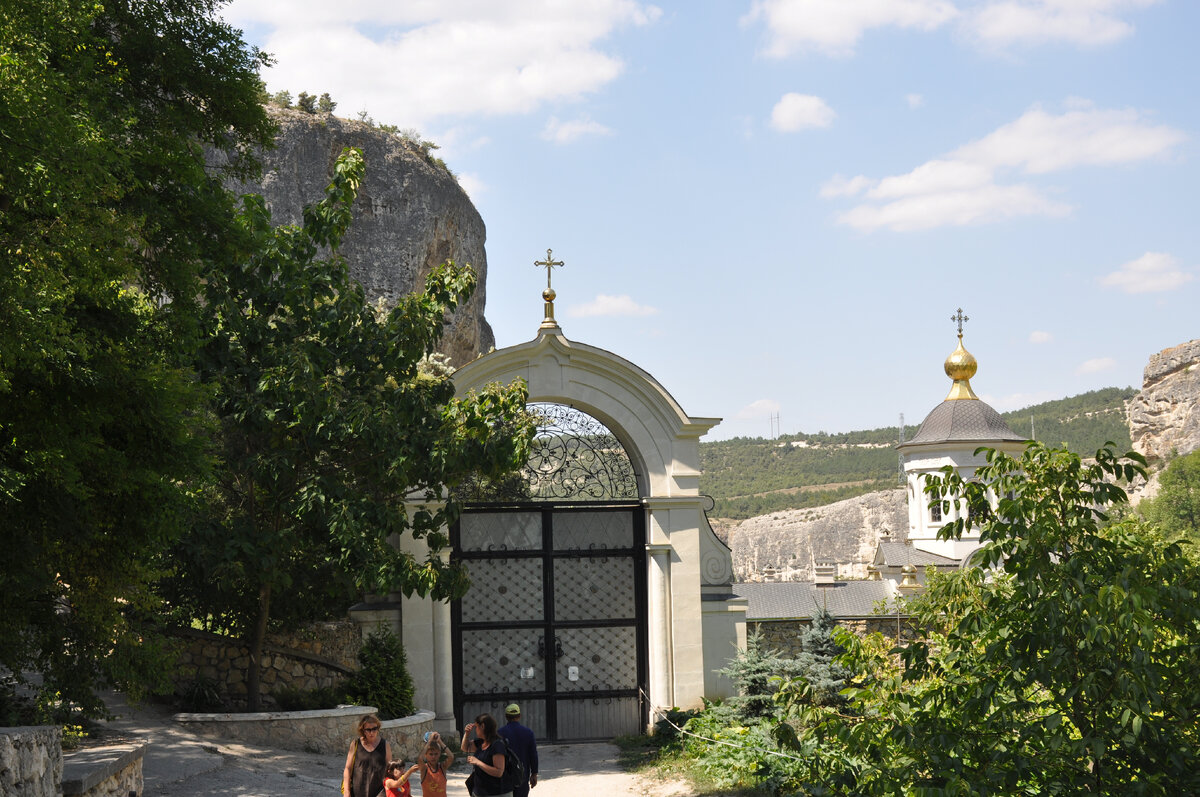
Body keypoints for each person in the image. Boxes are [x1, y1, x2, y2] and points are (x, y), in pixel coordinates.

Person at [342, 713, 393, 797]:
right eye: (368, 730)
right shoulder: (355, 744)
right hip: (357, 791)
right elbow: (348, 768)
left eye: (374, 729)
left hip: (379, 792)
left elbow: (390, 770)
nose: (371, 732)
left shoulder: (385, 745)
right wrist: (347, 791)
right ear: (363, 730)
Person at [461, 713, 510, 797]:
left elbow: (499, 772)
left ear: (482, 726)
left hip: (496, 793)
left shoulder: (497, 745)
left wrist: (478, 762)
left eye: (476, 727)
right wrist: (467, 734)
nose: (475, 729)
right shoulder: (481, 742)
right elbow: (465, 748)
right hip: (479, 792)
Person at [498, 703, 539, 797]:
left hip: (504, 776)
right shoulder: (528, 733)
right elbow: (533, 754)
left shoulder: (499, 733)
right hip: (522, 775)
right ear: (519, 716)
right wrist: (534, 773)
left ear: (506, 717)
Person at [418, 731, 454, 797]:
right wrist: (429, 742)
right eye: (431, 754)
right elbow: (420, 758)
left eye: (436, 754)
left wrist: (440, 741)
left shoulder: (442, 767)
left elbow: (451, 756)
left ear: (439, 754)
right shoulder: (424, 769)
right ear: (426, 755)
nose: (433, 757)